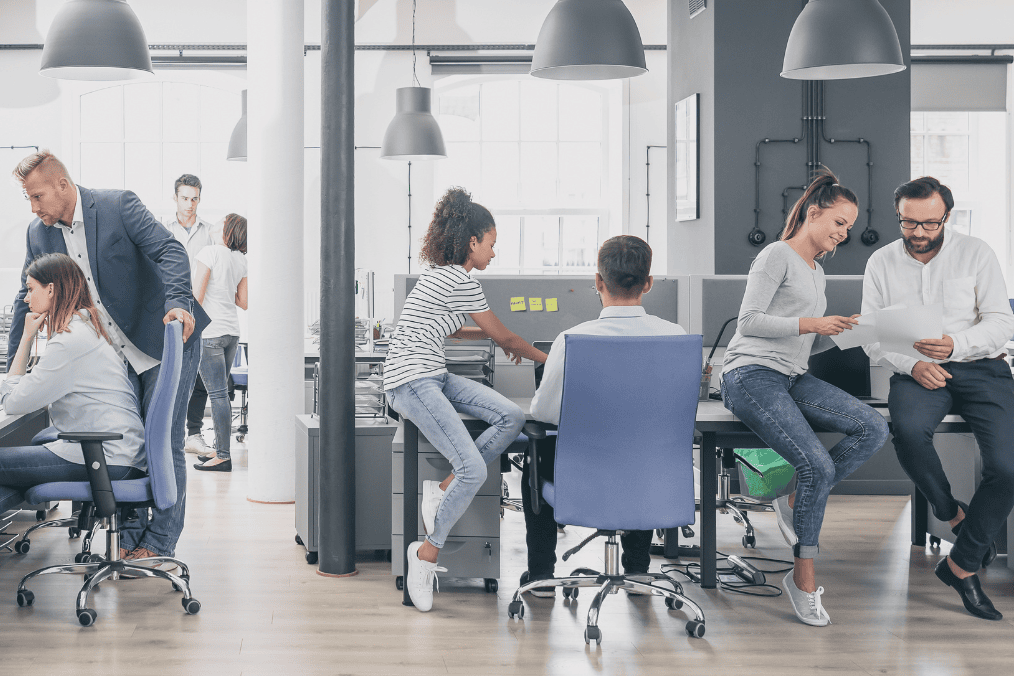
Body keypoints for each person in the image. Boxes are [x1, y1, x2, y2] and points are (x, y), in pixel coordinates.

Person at [9, 151, 209, 568]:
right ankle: (129, 538)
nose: (33, 207)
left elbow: (170, 252)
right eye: (28, 199)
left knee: (165, 440)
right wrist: (14, 361)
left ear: (62, 185)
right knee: (129, 445)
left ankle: (160, 542)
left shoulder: (118, 206)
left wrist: (178, 304)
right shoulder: (38, 233)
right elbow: (23, 298)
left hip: (163, 337)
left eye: (37, 196)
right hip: (114, 353)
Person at [719, 169, 890, 627]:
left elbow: (804, 343)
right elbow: (749, 322)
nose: (844, 233)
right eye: (838, 222)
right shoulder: (776, 255)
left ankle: (794, 501)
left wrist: (842, 332)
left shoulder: (817, 271)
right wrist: (815, 323)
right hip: (751, 372)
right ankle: (804, 577)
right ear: (813, 213)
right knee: (817, 464)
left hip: (792, 375)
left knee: (874, 427)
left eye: (849, 226)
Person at [384, 187, 548, 612]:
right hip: (411, 381)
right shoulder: (457, 278)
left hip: (433, 373)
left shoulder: (443, 277)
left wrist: (501, 339)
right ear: (472, 242)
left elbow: (455, 329)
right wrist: (549, 357)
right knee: (473, 467)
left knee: (510, 416)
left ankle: (442, 489)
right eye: (491, 244)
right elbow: (505, 335)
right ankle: (425, 554)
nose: (494, 253)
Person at [862, 176, 1014, 622]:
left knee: (1009, 467)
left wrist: (955, 345)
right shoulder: (881, 262)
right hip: (915, 368)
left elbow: (1001, 323)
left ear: (946, 216)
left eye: (930, 223)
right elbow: (872, 335)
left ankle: (962, 565)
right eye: (909, 223)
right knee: (907, 431)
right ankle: (949, 512)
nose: (920, 233)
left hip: (980, 365)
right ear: (899, 216)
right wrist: (911, 364)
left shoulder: (976, 253)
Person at [523, 235, 685, 597]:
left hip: (584, 487)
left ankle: (541, 577)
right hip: (651, 484)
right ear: (648, 283)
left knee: (538, 452)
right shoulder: (675, 337)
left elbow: (543, 412)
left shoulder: (571, 340)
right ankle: (638, 571)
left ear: (598, 282)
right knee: (642, 449)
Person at [1, 253, 146, 487]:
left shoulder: (69, 342)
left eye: (30, 289)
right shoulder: (85, 329)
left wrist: (27, 336)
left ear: (50, 290)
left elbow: (13, 403)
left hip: (106, 457)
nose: (26, 298)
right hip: (119, 451)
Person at [163, 174, 216, 458]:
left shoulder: (209, 232)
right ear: (176, 197)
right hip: (171, 309)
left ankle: (194, 433)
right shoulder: (162, 228)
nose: (190, 204)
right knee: (168, 371)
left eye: (194, 198)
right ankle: (167, 432)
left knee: (198, 375)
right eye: (184, 198)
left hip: (202, 310)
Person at [192, 214, 249, 472]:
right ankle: (220, 449)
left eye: (222, 221)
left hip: (211, 333)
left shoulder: (209, 252)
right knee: (221, 395)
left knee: (217, 396)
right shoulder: (240, 259)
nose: (216, 223)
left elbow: (197, 297)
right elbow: (243, 301)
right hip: (231, 333)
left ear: (227, 229)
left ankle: (223, 455)